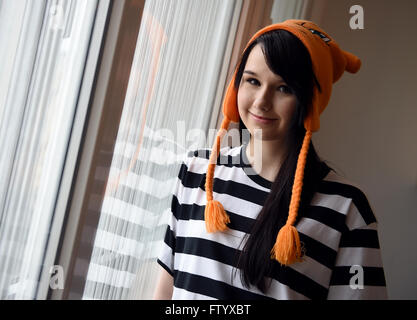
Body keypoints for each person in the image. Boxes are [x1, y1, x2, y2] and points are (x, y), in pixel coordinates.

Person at [153, 19, 388, 300]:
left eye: (283, 88)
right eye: (252, 81)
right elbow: (165, 292)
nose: (262, 101)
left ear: (310, 103)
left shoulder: (347, 208)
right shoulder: (195, 172)